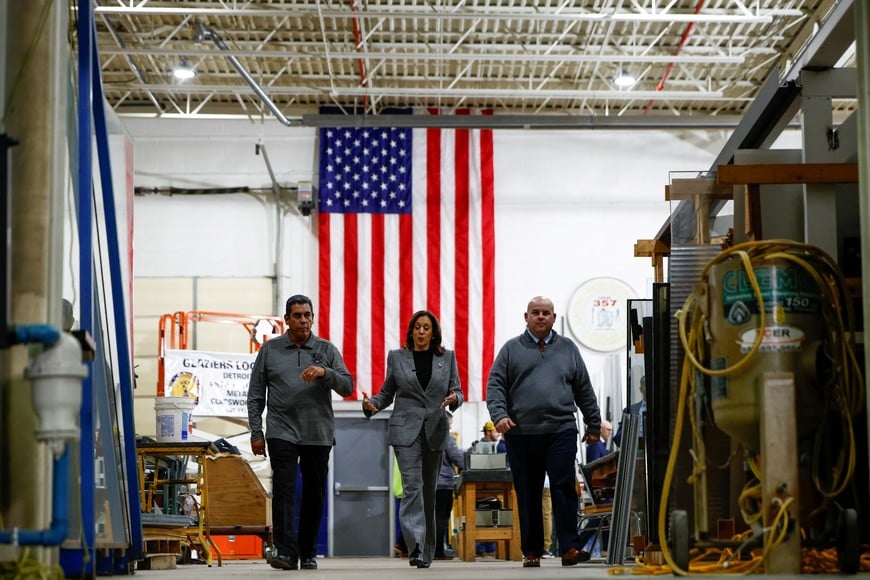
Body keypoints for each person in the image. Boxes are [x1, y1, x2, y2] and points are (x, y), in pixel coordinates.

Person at [486, 296, 602, 568]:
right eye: (535, 312)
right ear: (525, 317)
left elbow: (584, 388)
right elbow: (495, 386)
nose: (541, 317)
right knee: (527, 492)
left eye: (546, 313)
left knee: (564, 489)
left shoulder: (568, 349)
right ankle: (532, 551)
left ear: (553, 317)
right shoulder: (510, 350)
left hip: (560, 429)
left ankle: (569, 548)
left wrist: (593, 424)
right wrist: (499, 416)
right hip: (521, 433)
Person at [247, 294, 354, 571]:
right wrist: (256, 431)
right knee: (283, 490)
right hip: (281, 431)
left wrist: (324, 372)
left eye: (308, 315)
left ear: (313, 318)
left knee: (314, 493)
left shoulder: (326, 350)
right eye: (297, 315)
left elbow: (347, 386)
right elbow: (256, 395)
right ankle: (285, 551)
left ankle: (308, 552)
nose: (303, 320)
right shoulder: (270, 351)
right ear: (286, 320)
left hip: (317, 432)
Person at [362, 310, 463, 569]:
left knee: (429, 491)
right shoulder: (397, 357)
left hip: (435, 429)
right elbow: (387, 392)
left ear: (433, 332)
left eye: (426, 327)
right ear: (410, 331)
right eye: (417, 327)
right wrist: (372, 404)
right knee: (412, 487)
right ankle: (415, 546)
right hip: (405, 430)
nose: (421, 332)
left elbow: (458, 391)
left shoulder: (447, 358)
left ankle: (427, 551)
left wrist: (455, 399)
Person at [434, 410, 463, 560]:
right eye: (450, 424)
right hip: (444, 484)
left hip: (430, 484)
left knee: (432, 518)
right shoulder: (448, 439)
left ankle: (429, 550)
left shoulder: (428, 437)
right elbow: (458, 459)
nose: (450, 428)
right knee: (442, 518)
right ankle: (438, 551)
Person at [613, 376, 646, 448]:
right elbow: (618, 439)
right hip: (635, 451)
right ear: (641, 389)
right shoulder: (630, 410)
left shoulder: (660, 411)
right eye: (645, 385)